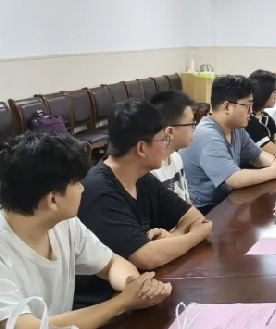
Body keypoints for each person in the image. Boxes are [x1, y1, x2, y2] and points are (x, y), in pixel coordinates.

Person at [0, 132, 172, 328]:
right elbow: (29, 327)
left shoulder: (63, 223)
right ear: (53, 199)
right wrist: (121, 303)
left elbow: (111, 263)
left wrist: (134, 286)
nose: (83, 189)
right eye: (76, 183)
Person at [75, 99, 213, 308]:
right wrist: (195, 235)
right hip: (106, 306)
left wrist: (175, 236)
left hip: (143, 292)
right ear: (141, 148)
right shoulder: (99, 191)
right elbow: (147, 257)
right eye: (163, 139)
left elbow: (195, 218)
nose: (166, 145)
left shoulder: (142, 177)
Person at [181, 75, 276, 213]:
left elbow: (257, 155)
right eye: (247, 105)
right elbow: (235, 179)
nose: (251, 111)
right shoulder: (207, 135)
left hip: (227, 201)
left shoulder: (236, 129)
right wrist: (275, 171)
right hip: (206, 210)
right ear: (227, 107)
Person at [148, 90, 196, 203]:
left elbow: (187, 202)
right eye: (191, 124)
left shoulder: (176, 158)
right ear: (170, 132)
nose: (194, 129)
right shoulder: (150, 173)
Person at [247, 70, 276, 155]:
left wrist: (275, 145)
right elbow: (270, 150)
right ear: (263, 92)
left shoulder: (265, 116)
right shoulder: (249, 119)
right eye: (274, 92)